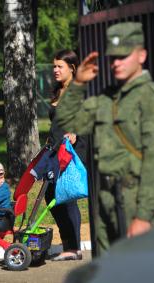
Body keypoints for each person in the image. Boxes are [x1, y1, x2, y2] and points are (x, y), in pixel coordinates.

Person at [55, 22, 154, 254]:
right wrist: (78, 84)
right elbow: (66, 120)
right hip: (105, 197)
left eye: (123, 56)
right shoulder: (107, 97)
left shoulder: (152, 99)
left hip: (135, 200)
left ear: (141, 55)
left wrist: (143, 216)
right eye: (113, 57)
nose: (116, 63)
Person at [46, 49, 87, 261]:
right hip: (54, 149)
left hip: (71, 150)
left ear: (72, 68)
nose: (55, 70)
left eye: (59, 66)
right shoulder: (59, 89)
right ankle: (70, 245)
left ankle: (74, 248)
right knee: (51, 196)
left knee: (66, 195)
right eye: (54, 66)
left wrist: (75, 132)